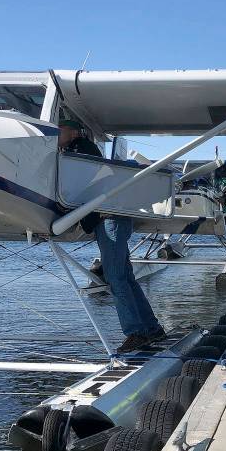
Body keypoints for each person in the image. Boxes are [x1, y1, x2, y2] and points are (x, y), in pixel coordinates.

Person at [58, 119, 165, 352]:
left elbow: (76, 186)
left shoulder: (79, 153)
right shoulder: (84, 151)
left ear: (74, 132)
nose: (56, 134)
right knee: (125, 276)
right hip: (112, 218)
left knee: (115, 277)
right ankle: (152, 328)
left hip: (109, 219)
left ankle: (136, 332)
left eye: (60, 130)